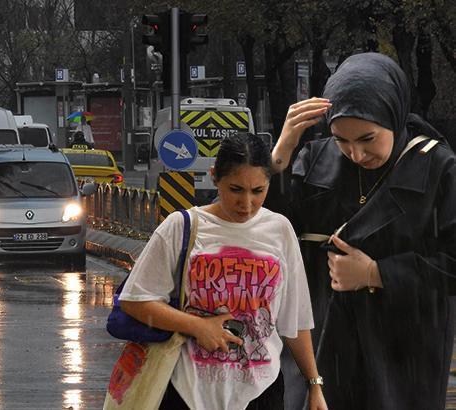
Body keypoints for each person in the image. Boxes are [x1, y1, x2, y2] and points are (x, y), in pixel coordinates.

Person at [267, 52, 456, 409]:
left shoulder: (438, 168)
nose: (356, 153)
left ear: (395, 116)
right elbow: (264, 236)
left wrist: (376, 273)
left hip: (402, 348)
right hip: (319, 338)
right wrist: (280, 155)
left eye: (368, 138)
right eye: (341, 139)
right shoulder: (314, 159)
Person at [118, 132, 327, 410]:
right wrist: (197, 326)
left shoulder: (279, 230)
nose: (247, 204)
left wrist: (314, 385)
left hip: (261, 392)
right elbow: (134, 300)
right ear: (215, 176)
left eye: (258, 191)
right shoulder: (181, 227)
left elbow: (296, 320)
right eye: (236, 189)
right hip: (187, 390)